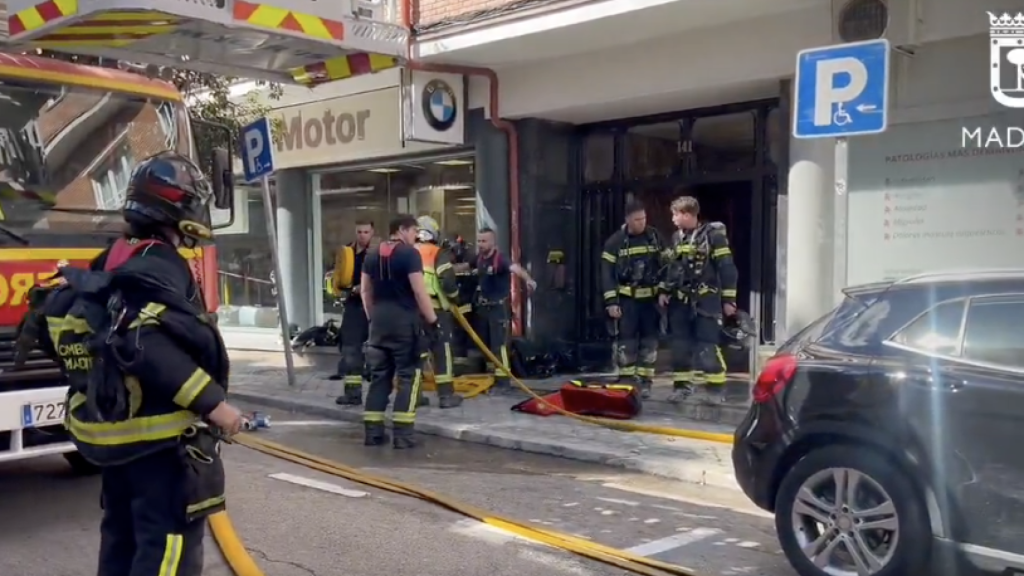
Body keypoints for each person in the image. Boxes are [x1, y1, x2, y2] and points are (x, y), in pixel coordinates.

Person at [20, 152, 245, 576]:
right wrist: (217, 406)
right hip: (161, 447)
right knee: (167, 551)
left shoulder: (112, 258)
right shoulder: (162, 264)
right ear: (181, 208)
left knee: (121, 544)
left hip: (117, 443)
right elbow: (147, 346)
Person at [361, 214, 440, 448]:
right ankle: (403, 436)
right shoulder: (409, 254)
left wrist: (372, 317)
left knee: (379, 379)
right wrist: (433, 320)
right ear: (403, 230)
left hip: (378, 325)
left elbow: (365, 291)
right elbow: (419, 291)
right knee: (408, 378)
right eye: (415, 231)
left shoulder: (372, 254)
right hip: (405, 325)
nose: (416, 236)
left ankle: (373, 433)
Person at [660, 195, 739, 402]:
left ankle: (715, 390)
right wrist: (665, 291)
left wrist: (729, 300)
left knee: (707, 346)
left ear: (686, 214)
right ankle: (682, 388)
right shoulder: (677, 238)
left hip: (706, 301)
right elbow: (673, 268)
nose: (673, 219)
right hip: (680, 302)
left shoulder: (714, 237)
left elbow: (727, 268)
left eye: (675, 215)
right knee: (679, 346)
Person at [459, 227, 536, 394]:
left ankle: (503, 383)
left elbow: (515, 269)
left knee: (499, 346)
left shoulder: (500, 259)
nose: (480, 244)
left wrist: (528, 280)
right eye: (479, 241)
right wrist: (444, 269)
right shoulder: (479, 258)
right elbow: (464, 266)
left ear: (493, 242)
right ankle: (492, 377)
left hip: (498, 309)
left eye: (484, 241)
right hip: (484, 308)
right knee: (485, 345)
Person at [600, 201, 665, 398]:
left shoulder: (654, 237)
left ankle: (645, 382)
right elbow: (606, 274)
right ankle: (627, 380)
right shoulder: (615, 242)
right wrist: (611, 302)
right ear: (627, 220)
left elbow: (667, 265)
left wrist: (663, 291)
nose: (641, 223)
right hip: (627, 301)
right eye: (637, 219)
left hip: (650, 302)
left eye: (644, 218)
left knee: (649, 342)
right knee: (625, 342)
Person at [413, 215, 463, 409]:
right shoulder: (436, 253)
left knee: (417, 352)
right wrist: (455, 298)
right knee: (442, 351)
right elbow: (448, 281)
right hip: (434, 308)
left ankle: (414, 395)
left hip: (411, 310)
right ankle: (446, 396)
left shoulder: (408, 252)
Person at [331, 220, 375, 406]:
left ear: (372, 232)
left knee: (380, 351)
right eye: (359, 231)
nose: (362, 235)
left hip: (374, 305)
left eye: (366, 231)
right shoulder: (348, 252)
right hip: (354, 305)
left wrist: (363, 287)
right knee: (351, 349)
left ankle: (381, 393)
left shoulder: (378, 253)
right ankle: (353, 393)